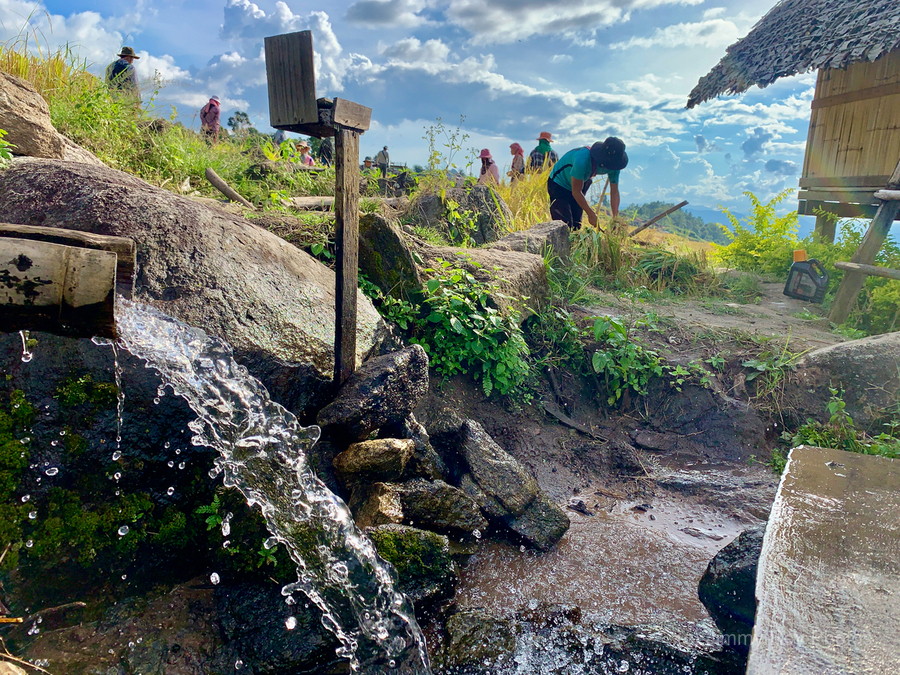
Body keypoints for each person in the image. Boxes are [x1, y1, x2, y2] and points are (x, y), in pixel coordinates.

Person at [547, 137, 628, 230]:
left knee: (576, 226)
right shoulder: (582, 160)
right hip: (559, 184)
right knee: (564, 226)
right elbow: (576, 191)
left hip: (581, 183)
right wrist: (591, 214)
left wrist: (615, 216)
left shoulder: (615, 166)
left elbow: (614, 191)